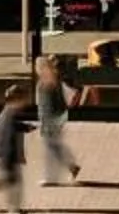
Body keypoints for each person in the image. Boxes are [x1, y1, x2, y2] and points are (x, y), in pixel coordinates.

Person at [31, 54, 83, 187]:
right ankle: (71, 167)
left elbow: (46, 105)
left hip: (50, 120)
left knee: (51, 148)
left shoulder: (47, 82)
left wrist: (46, 122)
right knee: (54, 147)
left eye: (39, 66)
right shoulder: (52, 80)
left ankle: (52, 177)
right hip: (54, 118)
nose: (37, 69)